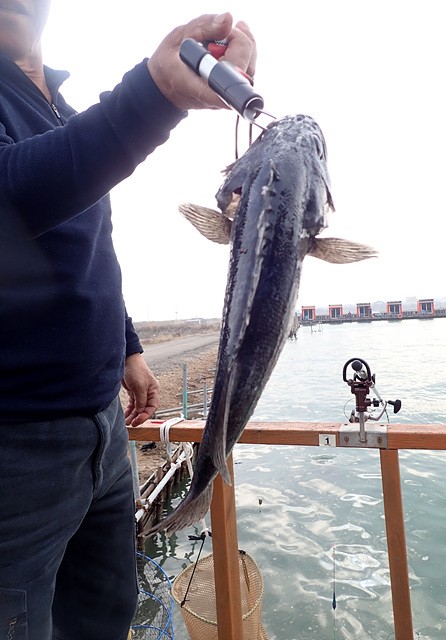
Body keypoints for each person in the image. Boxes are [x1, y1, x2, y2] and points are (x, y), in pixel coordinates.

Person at [0, 2, 256, 638]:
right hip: (14, 448)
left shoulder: (61, 108)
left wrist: (129, 346)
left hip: (106, 431)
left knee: (106, 616)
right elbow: (12, 194)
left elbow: (93, 250)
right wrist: (156, 93)